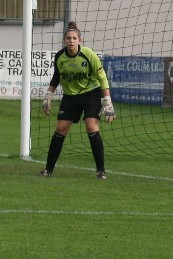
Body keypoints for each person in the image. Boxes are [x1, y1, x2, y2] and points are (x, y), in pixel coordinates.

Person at [39, 21, 116, 179]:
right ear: (64, 40)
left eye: (74, 38)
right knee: (60, 129)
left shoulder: (88, 54)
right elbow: (57, 77)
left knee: (91, 126)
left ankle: (100, 171)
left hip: (91, 94)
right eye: (68, 38)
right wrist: (48, 95)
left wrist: (107, 101)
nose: (71, 41)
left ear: (80, 40)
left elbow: (102, 77)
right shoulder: (60, 57)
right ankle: (48, 170)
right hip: (70, 96)